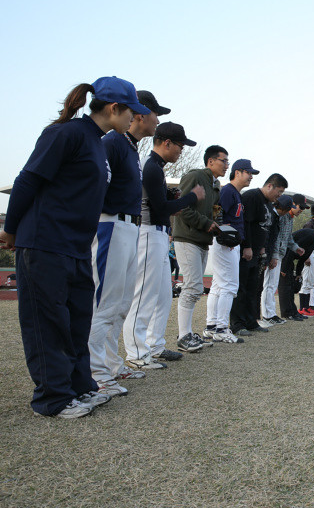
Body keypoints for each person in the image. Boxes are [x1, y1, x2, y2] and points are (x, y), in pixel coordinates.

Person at [1, 77, 150, 418]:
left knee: (78, 320)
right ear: (114, 108)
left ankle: (80, 387)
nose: (134, 119)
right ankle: (52, 398)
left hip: (77, 245)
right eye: (132, 112)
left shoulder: (98, 142)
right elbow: (28, 180)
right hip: (44, 241)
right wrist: (10, 230)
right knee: (48, 321)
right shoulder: (66, 134)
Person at [86, 90, 169, 397]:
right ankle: (96, 373)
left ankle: (110, 364)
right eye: (155, 113)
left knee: (120, 304)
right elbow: (94, 185)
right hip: (109, 224)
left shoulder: (129, 146)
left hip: (129, 228)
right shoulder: (113, 143)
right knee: (104, 303)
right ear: (139, 114)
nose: (157, 120)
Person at [123, 123, 203, 370]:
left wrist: (173, 199)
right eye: (180, 145)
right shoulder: (152, 166)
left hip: (157, 233)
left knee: (162, 296)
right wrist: (192, 197)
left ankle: (154, 345)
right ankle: (137, 353)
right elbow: (158, 209)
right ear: (166, 142)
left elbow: (161, 204)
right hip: (148, 233)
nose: (181, 150)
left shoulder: (156, 167)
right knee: (145, 296)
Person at [173, 145, 225, 352]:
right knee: (193, 286)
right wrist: (206, 224)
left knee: (194, 289)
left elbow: (213, 213)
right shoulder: (195, 176)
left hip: (202, 239)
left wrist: (216, 224)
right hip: (187, 237)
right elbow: (181, 206)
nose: (226, 165)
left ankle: (187, 332)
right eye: (224, 160)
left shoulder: (216, 185)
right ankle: (184, 335)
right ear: (210, 161)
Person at [202, 159, 258, 344]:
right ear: (238, 172)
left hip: (228, 244)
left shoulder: (235, 193)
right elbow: (217, 214)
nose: (251, 176)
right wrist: (224, 236)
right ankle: (221, 328)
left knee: (219, 285)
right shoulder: (227, 191)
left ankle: (211, 327)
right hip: (225, 244)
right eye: (248, 172)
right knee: (229, 286)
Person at [230, 173, 288, 334]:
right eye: (279, 191)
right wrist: (247, 246)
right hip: (246, 251)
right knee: (241, 287)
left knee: (253, 288)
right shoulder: (251, 197)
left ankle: (251, 321)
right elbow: (246, 223)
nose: (279, 195)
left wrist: (262, 249)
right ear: (270, 186)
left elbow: (265, 229)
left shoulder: (268, 203)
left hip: (258, 252)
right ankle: (237, 323)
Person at [260, 194, 307, 326]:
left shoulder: (289, 218)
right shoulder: (281, 216)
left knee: (272, 285)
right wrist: (274, 255)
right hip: (275, 254)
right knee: (268, 285)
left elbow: (288, 238)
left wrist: (296, 248)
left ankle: (271, 314)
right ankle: (267, 315)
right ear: (292, 205)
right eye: (300, 207)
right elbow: (276, 237)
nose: (301, 210)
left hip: (280, 254)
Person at [278, 229, 314, 320]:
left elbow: (303, 256)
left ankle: (293, 312)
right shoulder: (311, 235)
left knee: (291, 286)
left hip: (289, 260)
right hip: (283, 256)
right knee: (286, 286)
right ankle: (287, 313)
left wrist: (298, 273)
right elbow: (290, 247)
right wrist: (284, 268)